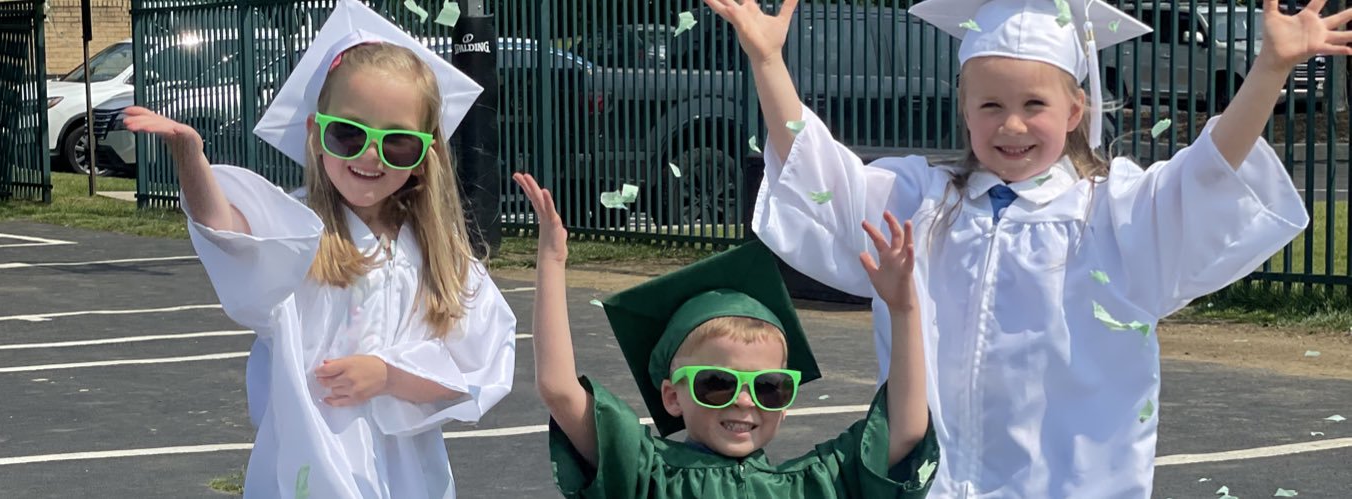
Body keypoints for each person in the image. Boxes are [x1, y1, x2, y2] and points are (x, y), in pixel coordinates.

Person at [724, 0, 1336, 494]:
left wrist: (1269, 71)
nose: (1011, 125)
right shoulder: (921, 203)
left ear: (1075, 110)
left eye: (1034, 105)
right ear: (965, 109)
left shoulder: (1114, 215)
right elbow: (820, 175)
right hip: (936, 484)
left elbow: (1207, 174)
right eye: (990, 105)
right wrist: (768, 62)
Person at [122, 1, 514, 496]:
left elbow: (479, 366)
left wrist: (389, 376)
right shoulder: (299, 232)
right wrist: (191, 158)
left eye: (397, 142)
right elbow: (229, 232)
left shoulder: (439, 257)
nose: (370, 155)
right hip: (310, 465)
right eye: (348, 135)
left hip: (406, 476)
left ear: (424, 156)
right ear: (316, 134)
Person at [514, 171, 939, 498]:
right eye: (716, 383)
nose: (745, 400)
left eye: (770, 388)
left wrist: (904, 310)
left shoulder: (812, 486)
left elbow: (903, 431)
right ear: (672, 396)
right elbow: (559, 389)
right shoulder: (648, 476)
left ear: (786, 405)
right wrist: (552, 261)